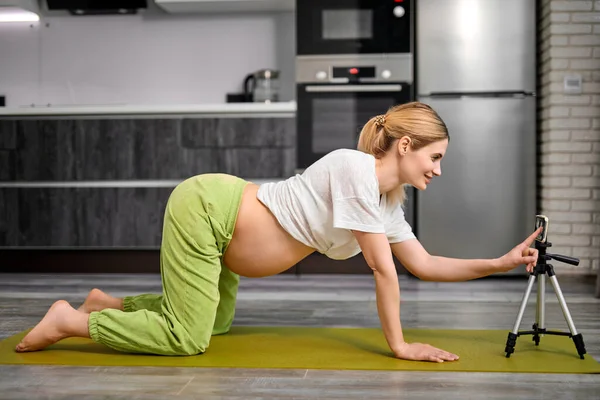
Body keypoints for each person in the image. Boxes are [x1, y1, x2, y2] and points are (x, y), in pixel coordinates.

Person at [15, 101, 541, 363]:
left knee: (213, 324)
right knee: (188, 337)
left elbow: (422, 264)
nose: (438, 170)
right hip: (209, 211)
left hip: (224, 234)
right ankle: (69, 321)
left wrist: (501, 262)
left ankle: (105, 304)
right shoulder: (356, 172)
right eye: (435, 157)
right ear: (405, 147)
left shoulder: (384, 201)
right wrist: (400, 345)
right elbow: (384, 268)